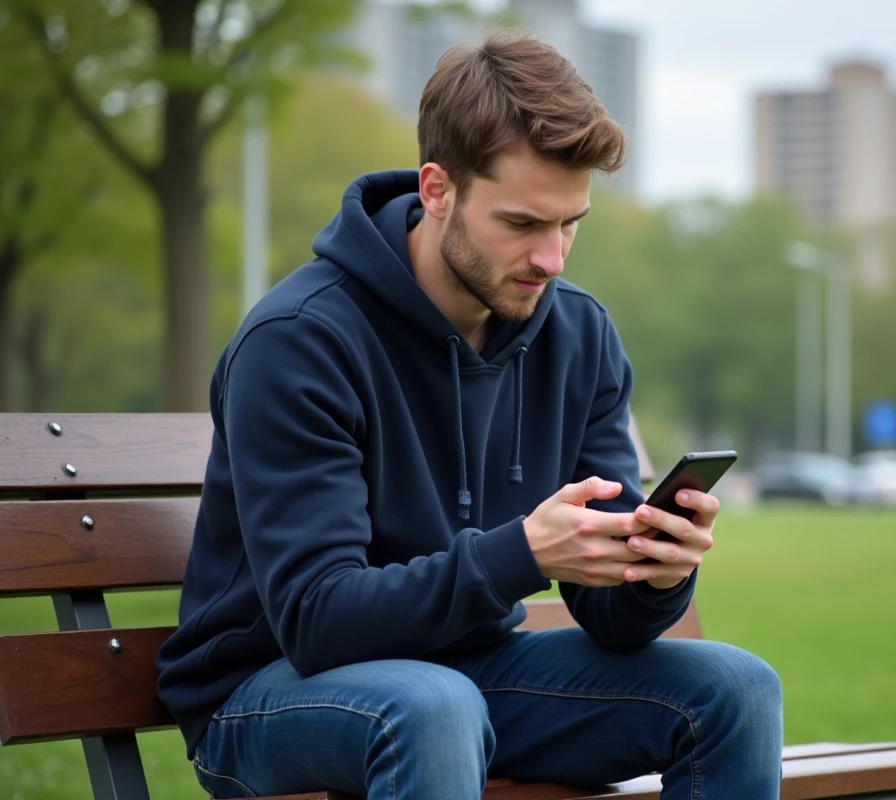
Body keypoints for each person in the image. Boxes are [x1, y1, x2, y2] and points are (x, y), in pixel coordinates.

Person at [155, 30, 783, 800]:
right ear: (437, 189)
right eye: (523, 224)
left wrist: (656, 572)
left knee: (736, 689)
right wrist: (519, 553)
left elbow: (613, 623)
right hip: (266, 693)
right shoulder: (300, 342)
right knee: (431, 707)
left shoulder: (578, 336)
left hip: (470, 676)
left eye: (570, 223)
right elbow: (317, 620)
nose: (552, 259)